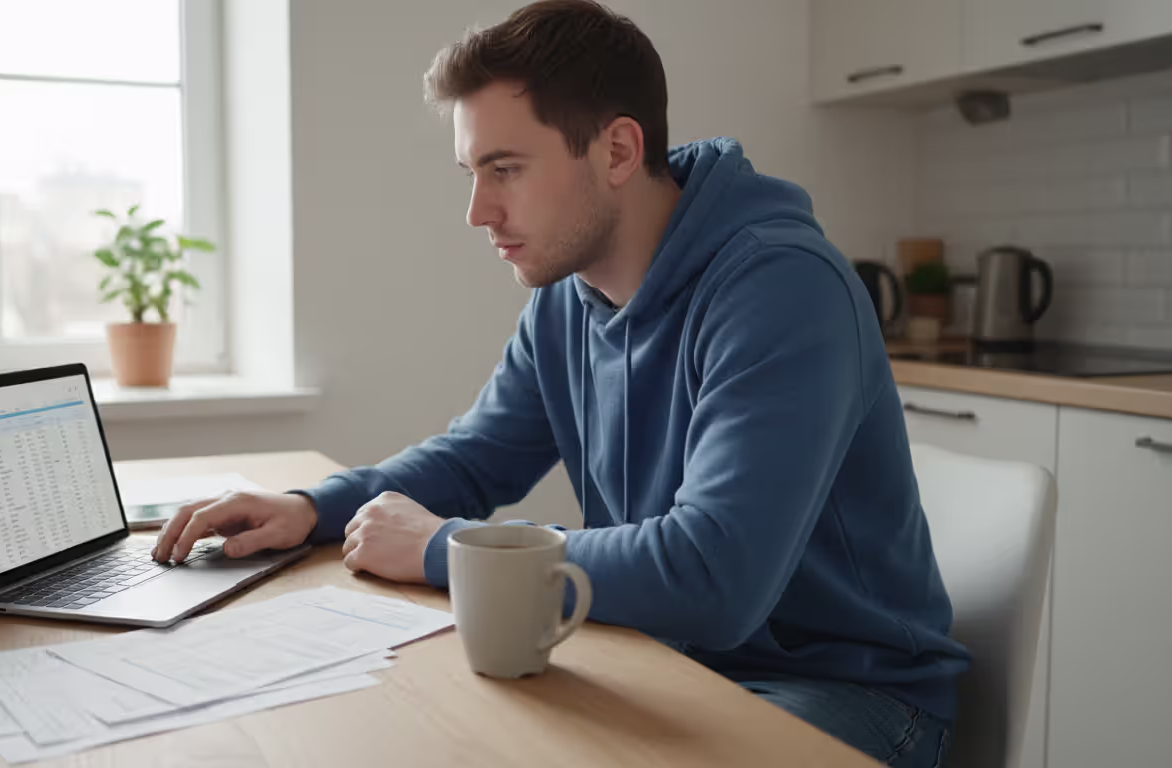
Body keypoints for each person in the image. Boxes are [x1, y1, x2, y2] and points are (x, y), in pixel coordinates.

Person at [152, 1, 968, 763]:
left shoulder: (780, 290)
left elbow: (717, 576)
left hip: (849, 694)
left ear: (616, 151)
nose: (478, 211)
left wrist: (444, 550)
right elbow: (477, 459)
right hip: (677, 660)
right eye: (472, 171)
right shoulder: (568, 300)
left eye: (505, 168)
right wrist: (315, 507)